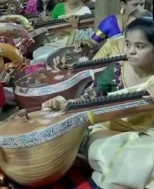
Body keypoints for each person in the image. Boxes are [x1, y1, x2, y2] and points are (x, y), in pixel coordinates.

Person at [42, 17, 154, 188]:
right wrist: (65, 103)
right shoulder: (116, 69)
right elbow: (89, 98)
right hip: (110, 132)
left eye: (140, 46)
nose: (131, 51)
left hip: (148, 134)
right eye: (128, 44)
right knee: (128, 158)